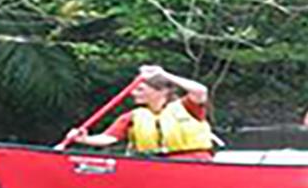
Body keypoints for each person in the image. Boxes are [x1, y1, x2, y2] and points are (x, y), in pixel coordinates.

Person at [67, 65, 218, 160]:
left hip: (193, 161)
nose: (133, 93)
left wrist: (163, 74)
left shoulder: (187, 106)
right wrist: (84, 139)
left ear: (162, 91)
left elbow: (200, 90)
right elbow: (108, 138)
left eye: (140, 89)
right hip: (153, 163)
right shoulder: (134, 116)